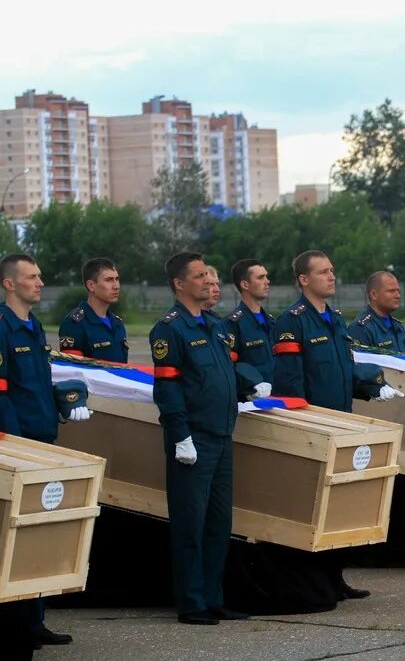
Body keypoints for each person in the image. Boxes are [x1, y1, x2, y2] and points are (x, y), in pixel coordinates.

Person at [271, 251, 403, 595]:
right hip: (317, 424)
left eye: (332, 270)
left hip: (342, 421)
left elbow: (343, 368)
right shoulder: (292, 320)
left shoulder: (334, 318)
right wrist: (303, 424)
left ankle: (335, 576)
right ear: (304, 279)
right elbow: (289, 381)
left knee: (338, 505)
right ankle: (316, 581)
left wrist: (371, 385)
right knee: (314, 505)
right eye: (323, 272)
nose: (332, 276)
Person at [149, 252, 266, 626]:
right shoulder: (169, 329)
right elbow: (167, 389)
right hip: (193, 441)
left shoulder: (215, 327)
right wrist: (180, 434)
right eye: (199, 276)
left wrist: (246, 387)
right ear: (179, 284)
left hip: (221, 436)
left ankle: (213, 597)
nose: (206, 281)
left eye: (207, 275)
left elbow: (221, 375)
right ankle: (191, 602)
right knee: (190, 525)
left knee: (219, 524)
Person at [0, 253, 92, 649]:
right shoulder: (2, 328)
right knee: (14, 538)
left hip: (43, 440)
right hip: (21, 448)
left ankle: (34, 621)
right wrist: (18, 446)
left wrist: (64, 403)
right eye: (31, 277)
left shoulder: (34, 327)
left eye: (40, 275)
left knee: (42, 534)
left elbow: (39, 381)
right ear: (9, 284)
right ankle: (13, 624)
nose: (40, 282)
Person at [58, 257, 128, 363]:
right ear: (91, 285)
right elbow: (72, 371)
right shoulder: (74, 324)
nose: (116, 286)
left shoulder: (117, 323)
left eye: (117, 279)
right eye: (109, 280)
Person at [224, 259, 275, 383]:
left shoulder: (271, 321)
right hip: (251, 400)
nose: (267, 281)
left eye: (266, 277)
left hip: (279, 396)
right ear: (245, 285)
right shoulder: (232, 324)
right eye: (261, 277)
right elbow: (229, 367)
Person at [348, 271, 405, 353]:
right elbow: (361, 364)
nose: (398, 295)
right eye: (391, 291)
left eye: (398, 291)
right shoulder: (361, 329)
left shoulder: (398, 327)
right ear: (374, 295)